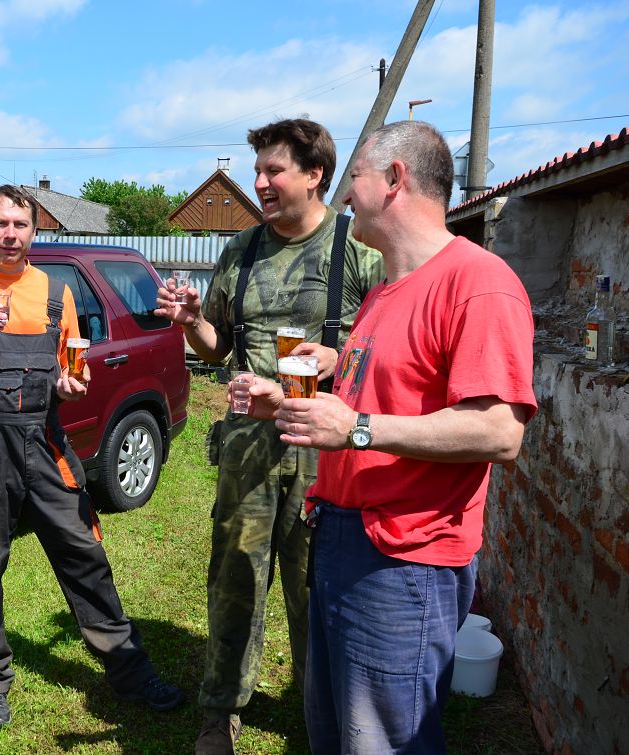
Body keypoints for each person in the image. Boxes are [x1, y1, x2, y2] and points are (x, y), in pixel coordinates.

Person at [244, 120, 536, 752]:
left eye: (356, 178)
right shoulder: (383, 292)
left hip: (403, 561)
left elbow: (499, 429)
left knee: (382, 740)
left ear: (396, 179)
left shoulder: (477, 283)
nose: (347, 196)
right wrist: (292, 407)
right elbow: (373, 402)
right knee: (335, 731)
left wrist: (356, 429)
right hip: (343, 538)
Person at [0, 184, 185, 729]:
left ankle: (130, 671)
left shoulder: (56, 292)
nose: (10, 235)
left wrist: (69, 385)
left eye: (21, 225)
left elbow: (69, 373)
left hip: (46, 444)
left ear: (34, 231)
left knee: (85, 554)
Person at [156, 118, 383, 753]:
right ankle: (221, 710)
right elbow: (217, 346)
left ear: (314, 175)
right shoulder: (242, 250)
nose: (259, 182)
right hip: (248, 446)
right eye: (258, 171)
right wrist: (193, 322)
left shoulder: (358, 247)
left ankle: (322, 713)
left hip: (324, 448)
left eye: (273, 170)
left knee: (317, 585)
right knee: (234, 577)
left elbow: (387, 349)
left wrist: (340, 357)